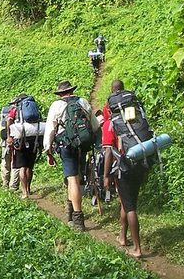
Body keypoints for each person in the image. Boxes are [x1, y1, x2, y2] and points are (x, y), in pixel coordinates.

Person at [43, 81, 99, 231]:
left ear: (60, 94)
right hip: (82, 144)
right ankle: (70, 211)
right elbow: (95, 126)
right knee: (77, 178)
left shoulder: (56, 106)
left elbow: (50, 130)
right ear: (72, 90)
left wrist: (48, 151)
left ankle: (78, 218)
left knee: (72, 179)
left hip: (66, 146)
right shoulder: (83, 101)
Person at [102, 79, 148, 258]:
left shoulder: (112, 123)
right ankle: (122, 236)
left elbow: (108, 152)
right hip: (141, 162)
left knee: (130, 207)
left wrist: (106, 175)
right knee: (127, 201)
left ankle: (137, 248)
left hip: (124, 168)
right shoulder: (135, 116)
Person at [5, 102, 41, 198]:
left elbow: (9, 120)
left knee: (22, 167)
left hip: (20, 141)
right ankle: (28, 189)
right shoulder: (34, 108)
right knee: (29, 167)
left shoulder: (16, 109)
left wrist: (9, 136)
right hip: (34, 139)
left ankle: (24, 192)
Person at [0, 107, 19, 190]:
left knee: (5, 163)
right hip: (16, 141)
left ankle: (5, 184)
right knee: (15, 163)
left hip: (4, 142)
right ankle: (13, 186)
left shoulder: (2, 115)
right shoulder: (19, 113)